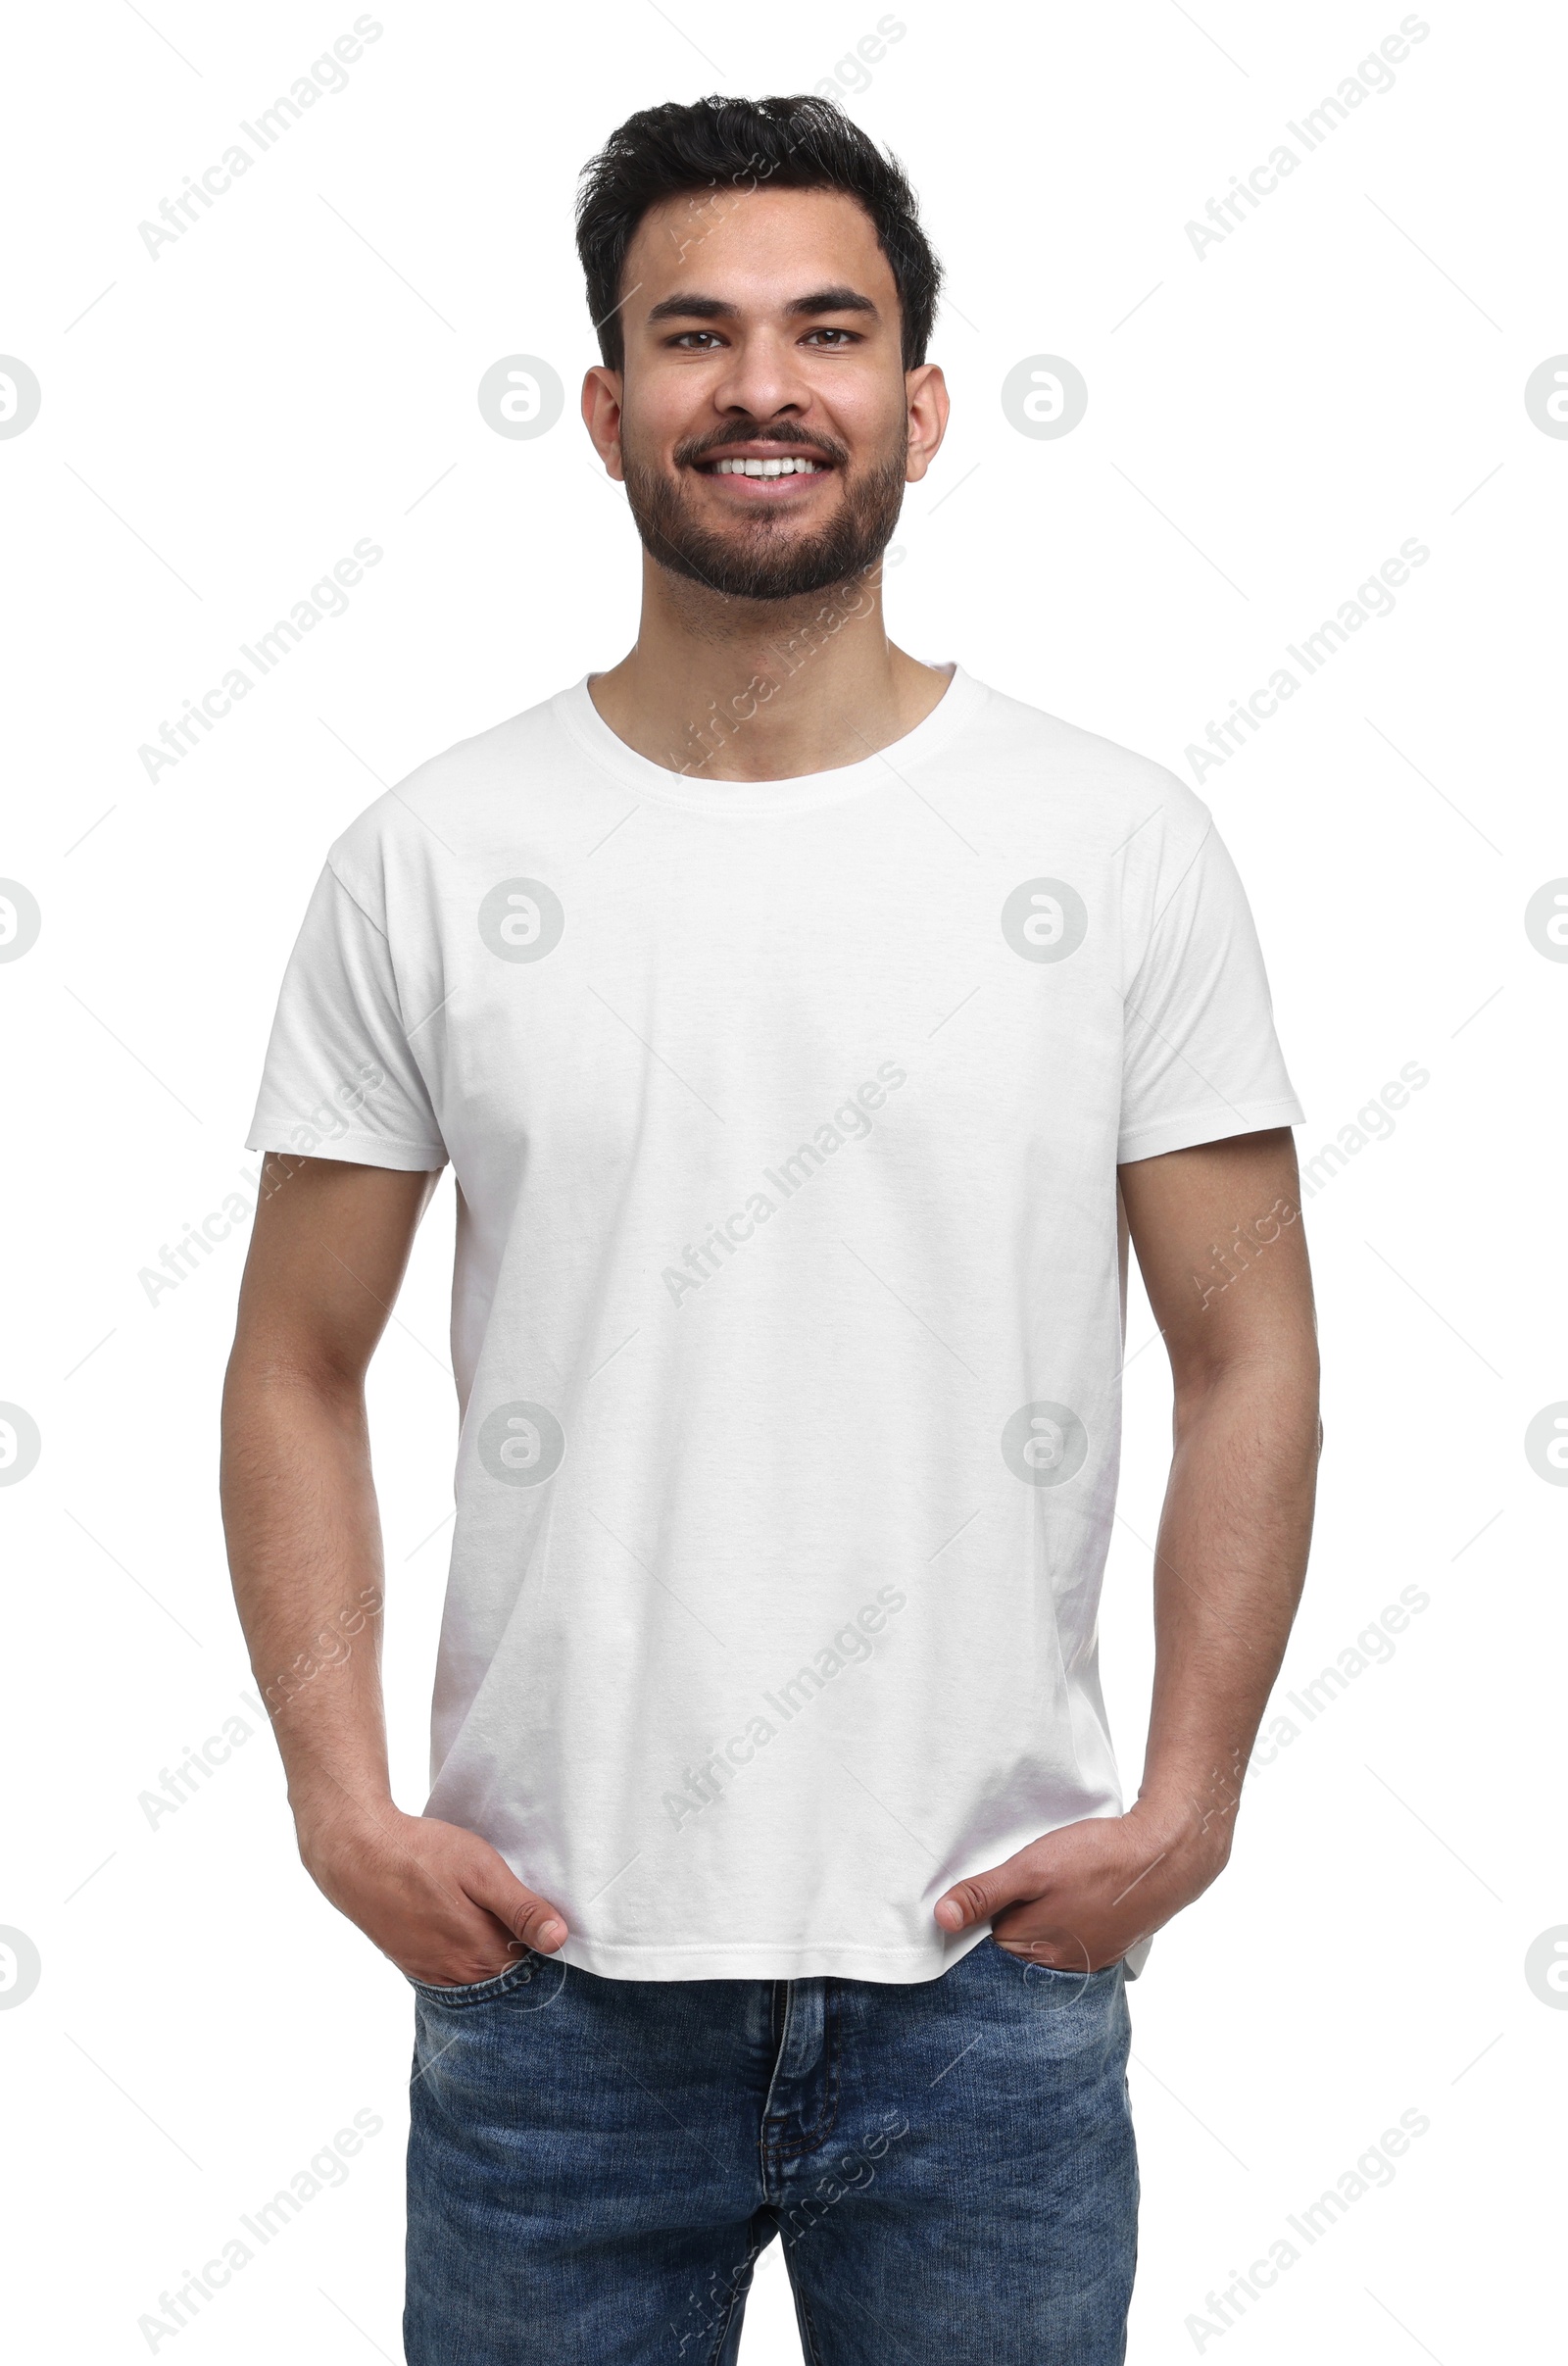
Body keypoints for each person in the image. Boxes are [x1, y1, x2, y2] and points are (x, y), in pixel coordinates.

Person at [221, 90, 1319, 2366]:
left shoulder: (1113, 848)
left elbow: (1249, 1350)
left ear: (913, 402)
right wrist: (340, 1809)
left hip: (982, 1992)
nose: (762, 387)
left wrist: (1185, 1810)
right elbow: (290, 1361)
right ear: (607, 404)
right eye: (694, 334)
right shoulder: (430, 857)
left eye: (825, 331)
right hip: (544, 1985)